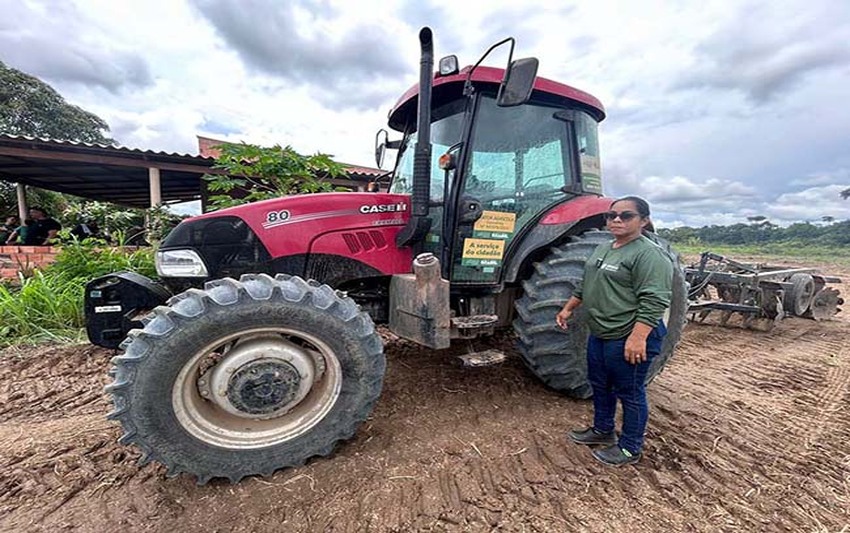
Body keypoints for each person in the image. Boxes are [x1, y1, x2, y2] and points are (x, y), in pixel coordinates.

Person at [556, 196, 673, 466]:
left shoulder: (649, 255)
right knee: (600, 384)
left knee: (630, 391)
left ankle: (630, 448)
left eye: (626, 215)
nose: (616, 220)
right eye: (612, 216)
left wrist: (638, 337)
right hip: (602, 333)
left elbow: (655, 300)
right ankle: (602, 430)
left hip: (629, 335)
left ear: (644, 221)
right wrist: (568, 308)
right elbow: (587, 283)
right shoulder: (605, 248)